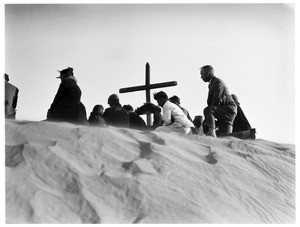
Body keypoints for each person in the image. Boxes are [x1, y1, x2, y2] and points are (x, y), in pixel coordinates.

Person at [200, 65, 237, 137]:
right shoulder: (213, 83)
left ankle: (211, 133)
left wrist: (209, 118)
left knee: (208, 110)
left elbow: (217, 100)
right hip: (227, 110)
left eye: (202, 74)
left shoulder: (217, 82)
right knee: (224, 135)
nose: (201, 77)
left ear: (207, 73)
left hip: (228, 108)